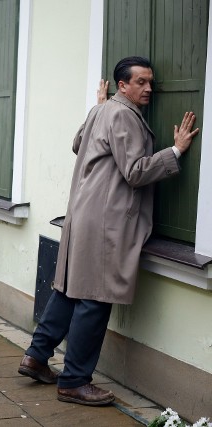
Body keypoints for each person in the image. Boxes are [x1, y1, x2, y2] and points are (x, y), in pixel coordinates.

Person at [17, 56, 200, 406]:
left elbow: (78, 144)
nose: (149, 88)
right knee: (94, 301)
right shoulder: (122, 114)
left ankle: (37, 357)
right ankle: (73, 381)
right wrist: (175, 150)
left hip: (84, 214)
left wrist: (97, 108)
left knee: (69, 290)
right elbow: (135, 172)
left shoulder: (102, 110)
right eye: (141, 82)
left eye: (151, 82)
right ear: (122, 85)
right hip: (105, 221)